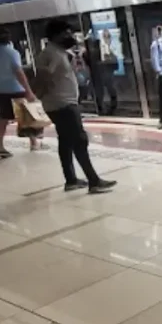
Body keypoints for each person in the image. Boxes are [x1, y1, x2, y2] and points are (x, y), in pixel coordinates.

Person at [35, 20, 117, 194]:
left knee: (65, 141)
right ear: (56, 35)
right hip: (63, 104)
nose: (70, 36)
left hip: (61, 102)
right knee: (79, 140)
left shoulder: (58, 52)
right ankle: (94, 181)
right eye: (66, 32)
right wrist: (43, 94)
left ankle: (71, 179)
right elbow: (43, 76)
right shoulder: (51, 53)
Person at [0, 29, 38, 156]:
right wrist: (28, 90)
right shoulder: (12, 52)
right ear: (9, 38)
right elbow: (18, 72)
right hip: (16, 89)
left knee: (3, 117)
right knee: (26, 115)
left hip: (1, 90)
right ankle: (34, 143)